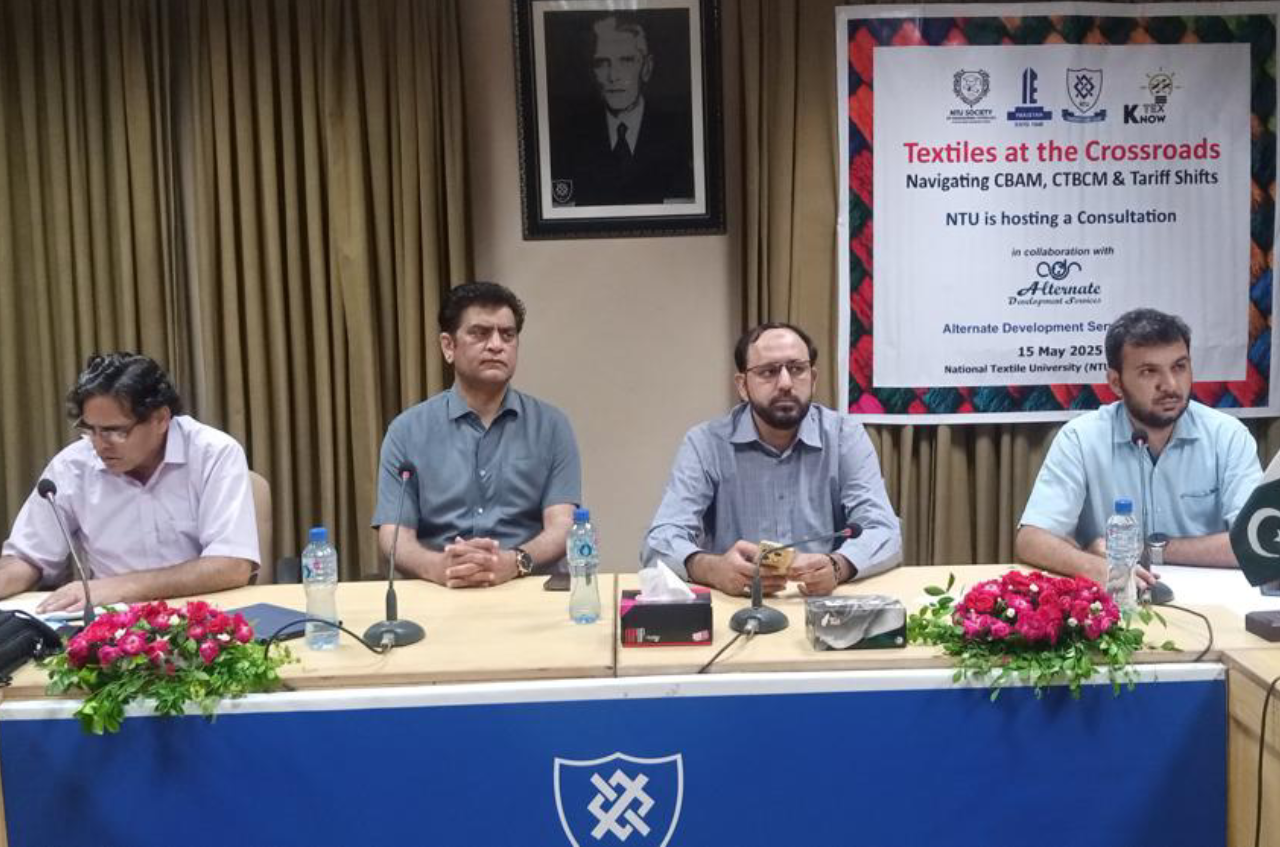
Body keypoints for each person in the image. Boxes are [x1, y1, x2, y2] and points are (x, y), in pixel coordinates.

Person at [642, 322, 902, 597]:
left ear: (813, 378)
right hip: (735, 605)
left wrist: (838, 565)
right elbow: (659, 541)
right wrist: (712, 569)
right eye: (768, 371)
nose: (786, 383)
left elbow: (883, 530)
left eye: (797, 369)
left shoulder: (844, 437)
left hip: (822, 603)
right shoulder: (705, 443)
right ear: (743, 385)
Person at [1016, 308, 1262, 587]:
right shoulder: (1081, 439)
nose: (1170, 385)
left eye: (1179, 367)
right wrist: (1094, 567)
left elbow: (1257, 541)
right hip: (1117, 598)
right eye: (1148, 372)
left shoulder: (1227, 437)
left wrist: (1148, 550)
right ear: (1116, 382)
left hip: (1213, 598)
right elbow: (1031, 539)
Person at [0, 353, 259, 611]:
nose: (100, 444)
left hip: (204, 615)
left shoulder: (213, 453)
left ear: (161, 419)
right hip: (111, 622)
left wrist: (118, 588)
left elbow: (231, 565)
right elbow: (28, 557)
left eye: (115, 431)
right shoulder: (72, 467)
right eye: (90, 429)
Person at [372, 282, 581, 588]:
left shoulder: (551, 426)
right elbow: (394, 535)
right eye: (480, 333)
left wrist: (515, 562)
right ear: (448, 347)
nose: (496, 345)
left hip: (526, 587)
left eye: (507, 335)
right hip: (437, 589)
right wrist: (438, 567)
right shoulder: (406, 431)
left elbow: (563, 525)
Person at [550, 13, 695, 207]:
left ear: (646, 68)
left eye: (626, 60)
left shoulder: (681, 136)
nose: (613, 76)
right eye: (602, 63)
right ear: (591, 71)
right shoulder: (566, 139)